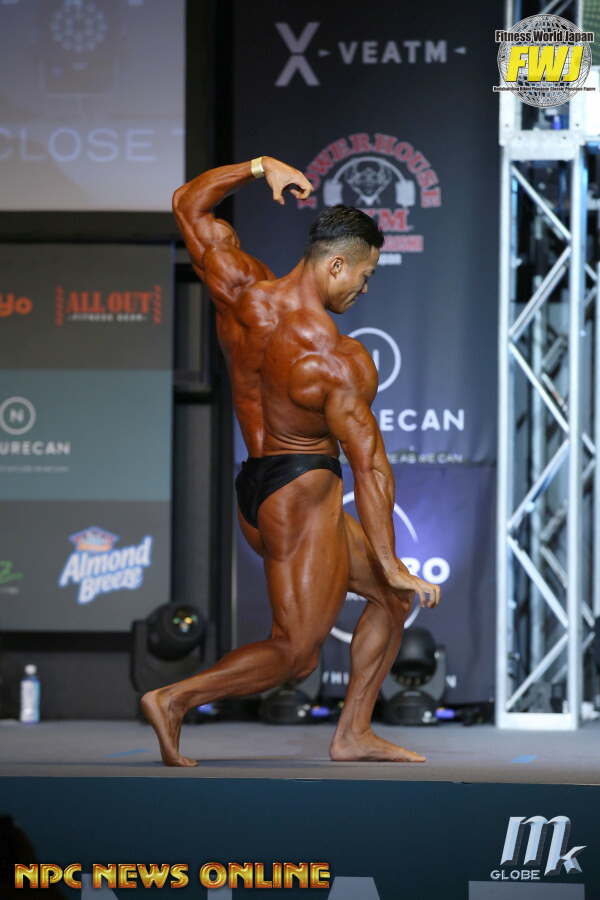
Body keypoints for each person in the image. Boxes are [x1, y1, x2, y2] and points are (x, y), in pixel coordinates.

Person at [141, 155, 441, 767]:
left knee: (391, 601)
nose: (363, 289)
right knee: (297, 653)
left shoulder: (241, 289)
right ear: (336, 265)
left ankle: (353, 733)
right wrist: (392, 561)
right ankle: (174, 698)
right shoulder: (336, 358)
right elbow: (370, 467)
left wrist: (259, 167)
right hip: (302, 492)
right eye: (364, 276)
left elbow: (186, 204)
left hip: (257, 486)